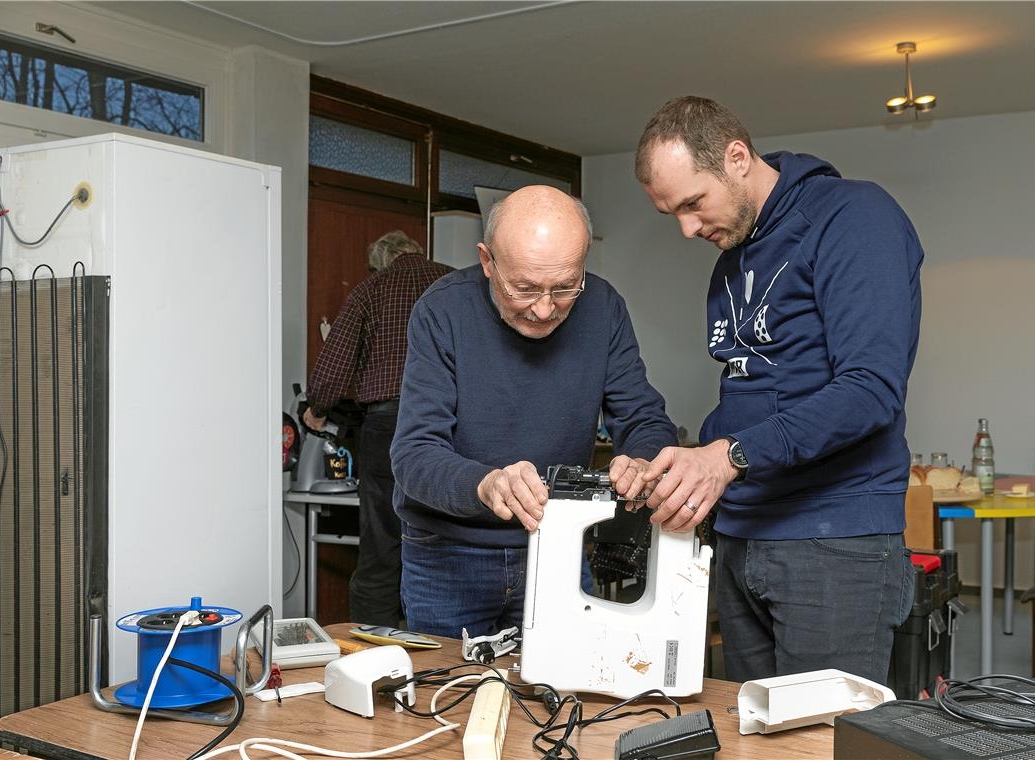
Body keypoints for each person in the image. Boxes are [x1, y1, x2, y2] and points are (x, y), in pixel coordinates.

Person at [627, 96, 923, 685]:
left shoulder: (853, 217)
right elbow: (751, 387)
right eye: (673, 215)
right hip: (741, 536)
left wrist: (730, 456)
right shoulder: (732, 252)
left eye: (692, 204)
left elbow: (869, 389)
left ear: (737, 158)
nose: (687, 229)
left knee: (824, 742)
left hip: (834, 541)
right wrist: (684, 463)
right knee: (749, 738)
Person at [389, 185, 677, 638]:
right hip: (448, 558)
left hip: (557, 543)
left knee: (565, 700)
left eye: (564, 287)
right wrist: (485, 484)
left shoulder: (603, 307)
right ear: (488, 262)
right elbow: (414, 455)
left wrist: (643, 459)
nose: (544, 310)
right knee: (445, 700)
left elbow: (644, 417)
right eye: (524, 288)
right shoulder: (441, 310)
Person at [305, 230, 453, 627]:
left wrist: (317, 408)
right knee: (450, 533)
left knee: (382, 539)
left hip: (389, 424)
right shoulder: (456, 283)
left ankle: (375, 644)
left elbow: (333, 366)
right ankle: (443, 643)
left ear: (381, 262)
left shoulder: (370, 289)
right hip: (454, 423)